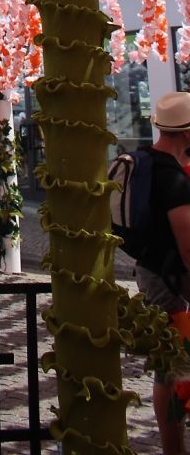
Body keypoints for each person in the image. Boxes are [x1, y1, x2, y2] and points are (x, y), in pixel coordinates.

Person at [133, 91, 190, 454]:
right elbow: (189, 247)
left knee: (168, 368)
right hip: (173, 283)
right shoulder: (172, 178)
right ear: (186, 133)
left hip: (148, 274)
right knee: (177, 370)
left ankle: (174, 446)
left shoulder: (145, 163)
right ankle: (175, 447)